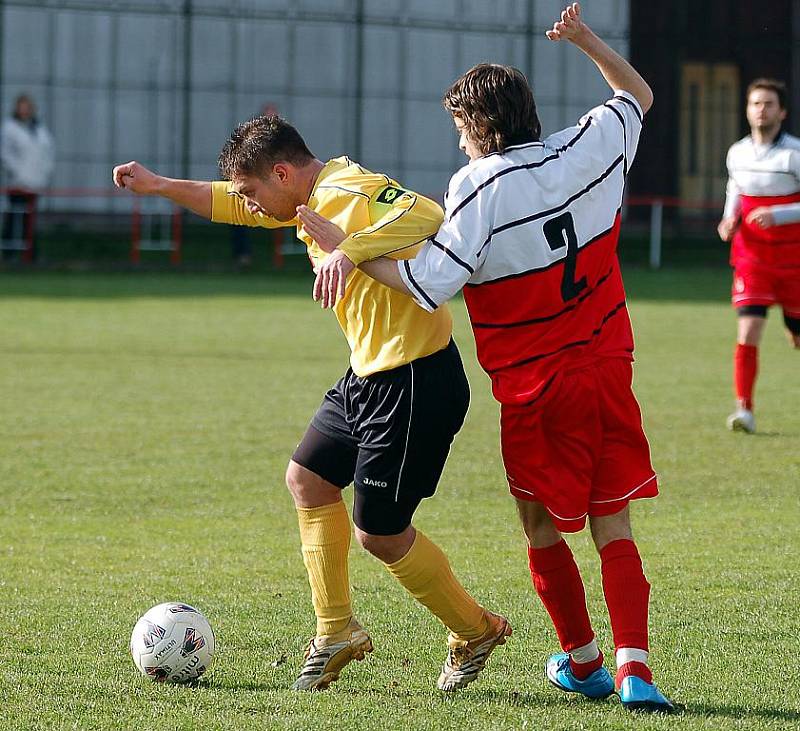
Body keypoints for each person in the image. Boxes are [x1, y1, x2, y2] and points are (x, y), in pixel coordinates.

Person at [300, 3, 676, 713]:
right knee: (614, 522)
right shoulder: (587, 144)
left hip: (539, 385)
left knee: (540, 526)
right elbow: (638, 97)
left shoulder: (478, 187)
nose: (459, 144)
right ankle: (636, 670)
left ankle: (586, 661)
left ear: (477, 127)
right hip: (610, 368)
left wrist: (349, 253)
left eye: (458, 129)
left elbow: (430, 281)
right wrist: (587, 39)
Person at [111, 115, 511, 692]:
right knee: (308, 479)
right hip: (369, 376)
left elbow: (429, 215)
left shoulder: (345, 190)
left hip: (415, 381)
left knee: (380, 534)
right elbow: (229, 200)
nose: (250, 205)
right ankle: (335, 631)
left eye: (255, 191)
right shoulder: (300, 197)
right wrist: (160, 186)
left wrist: (348, 252)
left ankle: (474, 630)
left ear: (282, 172)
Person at [717, 78, 800, 434]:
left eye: (768, 104)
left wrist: (777, 215)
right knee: (748, 331)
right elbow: (734, 187)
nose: (760, 110)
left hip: (794, 261)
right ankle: (744, 410)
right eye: (755, 104)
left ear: (782, 111)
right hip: (752, 258)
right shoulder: (737, 152)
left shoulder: (794, 154)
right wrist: (727, 218)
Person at [1, 94, 55, 261]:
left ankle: (30, 256)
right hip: (17, 182)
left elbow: (48, 152)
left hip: (35, 182)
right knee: (14, 217)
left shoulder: (39, 129)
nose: (25, 111)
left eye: (27, 107)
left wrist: (44, 173)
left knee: (30, 220)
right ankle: (9, 255)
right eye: (22, 107)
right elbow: (5, 154)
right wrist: (18, 173)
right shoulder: (9, 127)